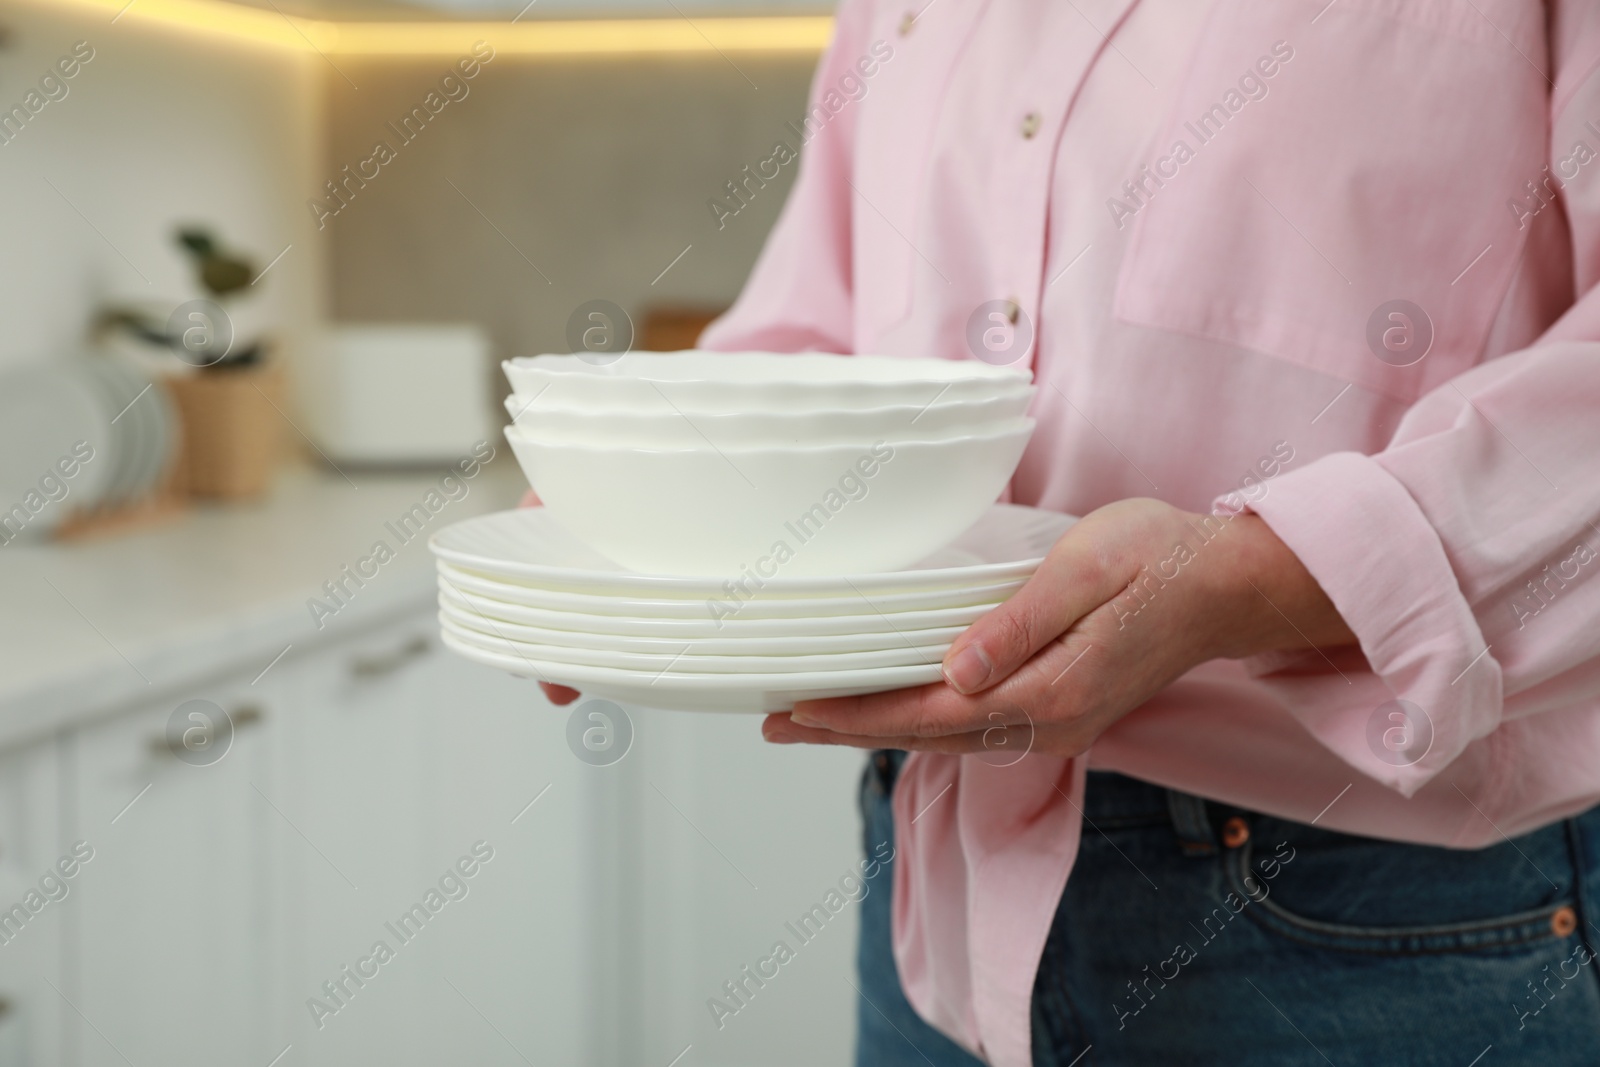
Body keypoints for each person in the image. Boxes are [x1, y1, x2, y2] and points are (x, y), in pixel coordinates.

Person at [552, 1, 1600, 1062]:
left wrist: (1259, 579)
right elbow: (823, 330)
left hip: (1388, 906)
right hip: (935, 888)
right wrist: (635, 476)